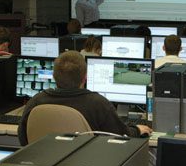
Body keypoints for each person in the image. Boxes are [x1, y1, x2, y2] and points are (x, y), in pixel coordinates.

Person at [17, 51, 152, 146]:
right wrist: (137, 130)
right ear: (85, 78)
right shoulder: (97, 103)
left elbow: (24, 139)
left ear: (54, 76)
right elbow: (122, 137)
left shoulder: (36, 101)